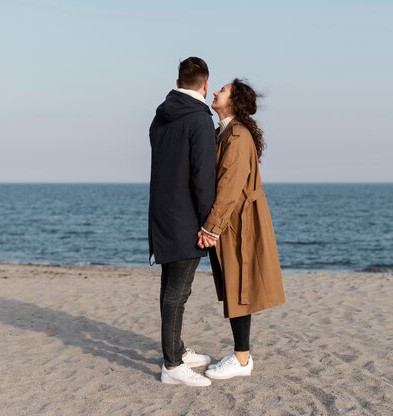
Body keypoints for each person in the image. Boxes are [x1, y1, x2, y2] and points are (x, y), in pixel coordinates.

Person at [197, 79, 286, 380]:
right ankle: (240, 354)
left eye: (223, 91)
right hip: (235, 219)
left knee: (239, 286)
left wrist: (211, 228)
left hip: (239, 221)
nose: (216, 93)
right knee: (236, 286)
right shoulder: (224, 132)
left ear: (233, 102)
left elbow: (230, 188)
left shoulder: (236, 136)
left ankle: (242, 359)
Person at [148, 57, 217, 387]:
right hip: (187, 218)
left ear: (179, 81)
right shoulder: (199, 120)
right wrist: (209, 225)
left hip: (162, 213)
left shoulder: (161, 115)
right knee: (178, 292)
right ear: (205, 83)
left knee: (169, 288)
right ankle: (172, 366)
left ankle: (175, 349)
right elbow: (202, 178)